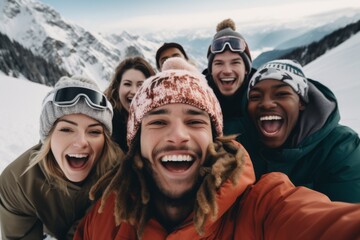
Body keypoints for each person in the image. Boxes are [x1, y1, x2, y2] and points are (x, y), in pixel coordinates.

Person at [74, 58, 360, 240]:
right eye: (158, 121)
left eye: (195, 120)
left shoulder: (260, 207)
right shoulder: (104, 219)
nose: (178, 135)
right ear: (137, 145)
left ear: (215, 140)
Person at [0, 76, 123, 239]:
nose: (81, 142)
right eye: (66, 129)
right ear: (48, 137)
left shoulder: (119, 173)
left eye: (94, 132)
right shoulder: (18, 182)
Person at [237, 59, 360, 203]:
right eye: (255, 97)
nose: (266, 103)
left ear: (301, 102)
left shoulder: (342, 147)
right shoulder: (241, 145)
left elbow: (344, 218)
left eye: (281, 94)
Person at [204, 18, 255, 135]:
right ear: (210, 70)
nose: (227, 71)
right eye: (219, 63)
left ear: (246, 69)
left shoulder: (261, 95)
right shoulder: (199, 96)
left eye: (235, 62)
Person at [104, 57, 155, 152]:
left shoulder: (161, 120)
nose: (134, 91)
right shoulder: (105, 126)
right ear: (118, 87)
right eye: (127, 84)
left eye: (141, 85)